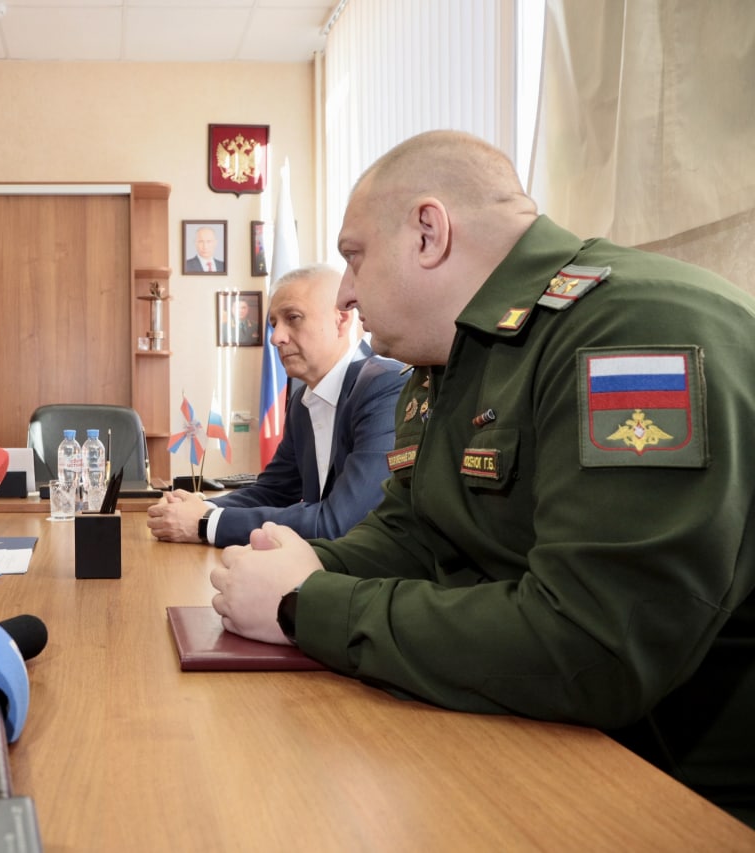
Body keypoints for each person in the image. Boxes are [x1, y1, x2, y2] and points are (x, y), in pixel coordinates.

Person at [208, 130, 755, 823]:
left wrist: (306, 604)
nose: (345, 291)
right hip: (536, 741)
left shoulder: (629, 330)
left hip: (674, 791)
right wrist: (298, 563)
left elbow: (594, 645)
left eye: (354, 256)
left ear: (428, 233)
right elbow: (414, 533)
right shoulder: (447, 363)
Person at [149, 264, 405, 548]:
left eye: (293, 318)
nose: (275, 337)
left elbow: (340, 523)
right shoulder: (301, 402)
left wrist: (205, 522)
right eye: (274, 323)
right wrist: (199, 507)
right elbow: (273, 492)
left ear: (341, 320)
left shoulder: (385, 387)